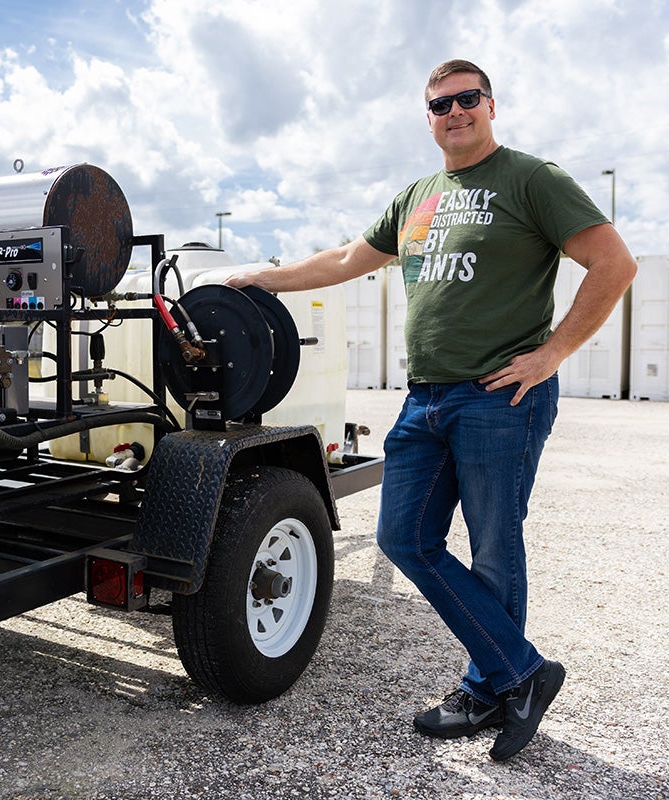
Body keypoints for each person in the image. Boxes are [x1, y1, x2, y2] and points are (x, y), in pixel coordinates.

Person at [226, 59, 637, 761]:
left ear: (491, 105)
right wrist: (266, 277)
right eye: (440, 103)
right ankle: (523, 675)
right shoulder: (418, 195)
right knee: (404, 538)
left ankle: (487, 688)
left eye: (467, 98)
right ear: (429, 117)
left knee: (495, 550)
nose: (454, 111)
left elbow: (614, 264)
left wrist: (552, 355)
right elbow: (348, 257)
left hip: (500, 398)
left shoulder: (532, 180)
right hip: (425, 400)